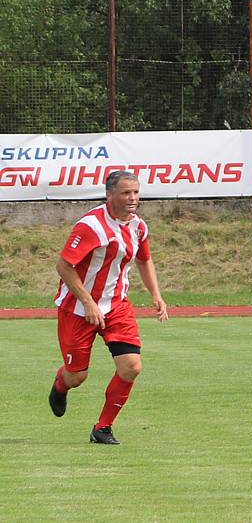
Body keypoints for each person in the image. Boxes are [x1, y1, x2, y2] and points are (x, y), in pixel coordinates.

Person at [48, 170, 168, 445]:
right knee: (77, 376)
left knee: (131, 366)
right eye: (126, 193)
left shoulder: (138, 226)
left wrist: (156, 295)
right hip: (78, 308)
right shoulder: (91, 225)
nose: (133, 198)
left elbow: (144, 260)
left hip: (116, 305)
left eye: (136, 192)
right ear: (110, 195)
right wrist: (88, 302)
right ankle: (60, 385)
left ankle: (102, 428)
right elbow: (63, 265)